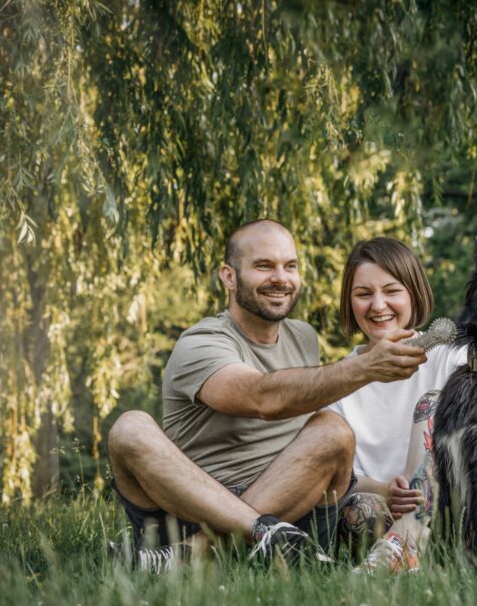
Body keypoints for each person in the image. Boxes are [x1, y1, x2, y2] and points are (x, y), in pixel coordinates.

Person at [107, 220, 426, 569]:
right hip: (197, 509)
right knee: (130, 428)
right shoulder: (200, 343)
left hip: (294, 511)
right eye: (264, 266)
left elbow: (313, 457)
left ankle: (194, 555)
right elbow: (261, 399)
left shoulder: (303, 337)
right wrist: (363, 368)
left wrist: (383, 489)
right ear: (229, 277)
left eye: (290, 266)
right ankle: (256, 535)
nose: (280, 278)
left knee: (333, 430)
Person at [326, 237, 467, 572]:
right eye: (364, 294)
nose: (378, 306)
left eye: (391, 291)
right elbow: (341, 478)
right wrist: (385, 489)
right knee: (358, 507)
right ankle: (399, 555)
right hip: (381, 520)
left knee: (434, 403)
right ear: (349, 302)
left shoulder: (451, 358)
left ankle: (407, 544)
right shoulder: (336, 381)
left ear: (413, 293)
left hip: (452, 509)